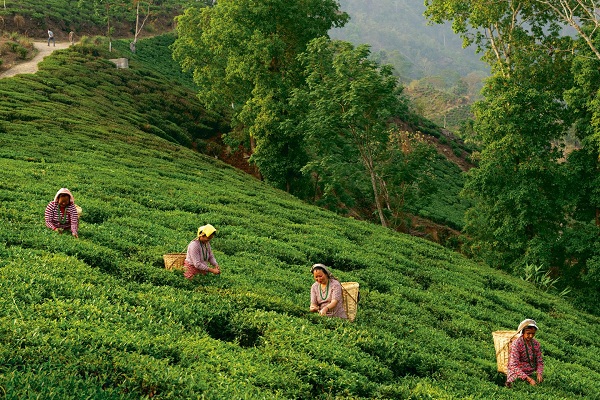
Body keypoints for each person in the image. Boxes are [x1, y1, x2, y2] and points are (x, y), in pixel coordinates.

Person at [506, 318, 544, 387]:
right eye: (528, 333)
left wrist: (539, 373)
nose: (531, 336)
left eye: (533, 333)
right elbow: (513, 365)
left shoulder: (536, 344)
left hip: (530, 371)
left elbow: (539, 361)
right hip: (517, 372)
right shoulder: (516, 344)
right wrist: (529, 379)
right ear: (523, 332)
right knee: (515, 383)